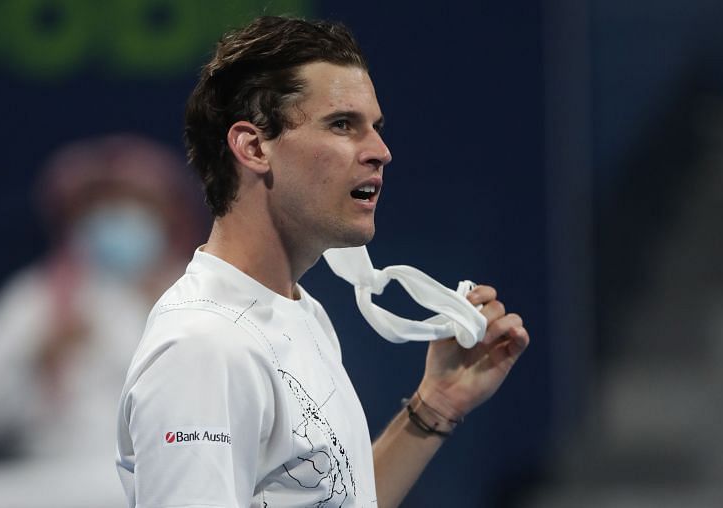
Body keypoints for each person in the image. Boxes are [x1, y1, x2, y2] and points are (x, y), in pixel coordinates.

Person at [116, 16, 530, 508]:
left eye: (375, 128)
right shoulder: (205, 350)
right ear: (253, 147)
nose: (381, 152)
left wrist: (434, 405)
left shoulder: (300, 313)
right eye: (342, 125)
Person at [0, 134, 204, 508]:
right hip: (54, 472)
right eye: (101, 206)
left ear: (166, 215)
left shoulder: (198, 294)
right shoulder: (37, 298)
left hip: (162, 468)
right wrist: (37, 355)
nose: (117, 217)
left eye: (134, 205)